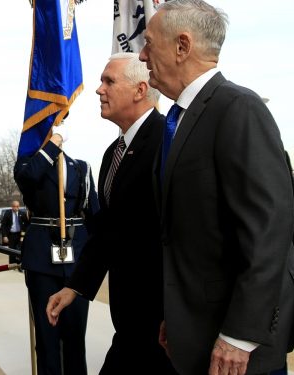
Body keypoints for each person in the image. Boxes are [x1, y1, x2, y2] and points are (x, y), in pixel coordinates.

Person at [138, 1, 294, 374]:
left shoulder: (238, 109)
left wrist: (241, 335)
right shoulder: (179, 119)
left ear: (182, 46)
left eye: (150, 43)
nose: (142, 54)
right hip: (198, 329)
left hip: (236, 347)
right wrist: (179, 317)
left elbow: (268, 231)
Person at [46, 53, 175, 374]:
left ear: (140, 89)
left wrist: (178, 315)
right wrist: (75, 286)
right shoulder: (113, 152)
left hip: (162, 322)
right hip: (130, 320)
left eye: (109, 81)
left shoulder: (168, 142)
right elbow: (108, 230)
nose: (98, 90)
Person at [14, 120, 100, 375]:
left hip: (76, 260)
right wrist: (53, 144)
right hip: (42, 258)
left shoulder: (81, 167)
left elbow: (93, 214)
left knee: (75, 337)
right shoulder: (28, 164)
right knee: (47, 337)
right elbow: (28, 177)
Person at [0, 200, 28, 265]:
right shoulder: (7, 213)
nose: (16, 208)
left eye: (17, 206)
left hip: (20, 235)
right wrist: (5, 236)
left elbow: (26, 225)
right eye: (14, 206)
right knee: (11, 250)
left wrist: (24, 234)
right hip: (11, 235)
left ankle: (19, 264)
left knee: (20, 249)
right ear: (12, 207)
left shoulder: (22, 214)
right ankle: (12, 265)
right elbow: (3, 225)